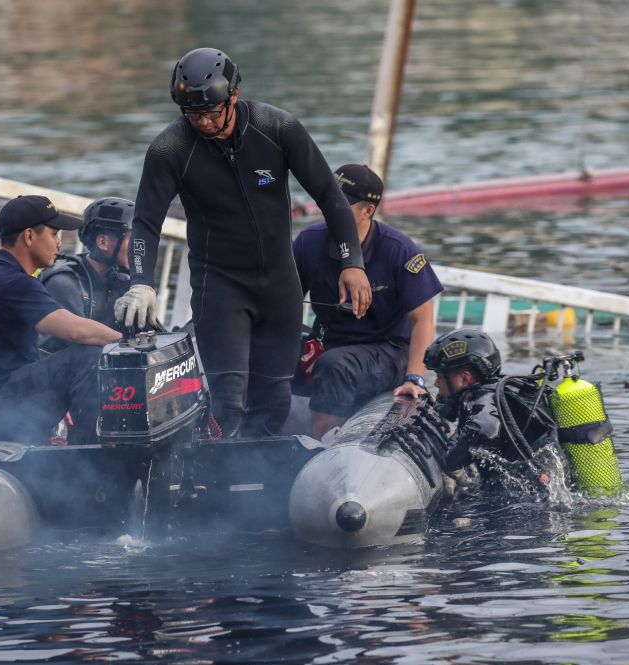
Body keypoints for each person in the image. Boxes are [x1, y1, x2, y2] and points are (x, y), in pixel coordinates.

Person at [115, 47, 372, 437]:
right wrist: (140, 282)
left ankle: (256, 492)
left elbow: (330, 196)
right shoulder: (170, 150)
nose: (202, 122)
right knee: (229, 401)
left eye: (211, 112)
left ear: (233, 96)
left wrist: (352, 262)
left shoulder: (278, 128)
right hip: (219, 285)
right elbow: (146, 222)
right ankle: (216, 488)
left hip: (278, 284)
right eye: (192, 113)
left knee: (274, 399)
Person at [0, 195, 123, 445]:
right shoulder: (12, 282)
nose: (59, 243)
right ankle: (90, 454)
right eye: (54, 234)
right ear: (29, 236)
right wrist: (131, 342)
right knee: (87, 356)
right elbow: (77, 331)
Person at [293, 164, 443, 439]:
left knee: (334, 365)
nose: (332, 211)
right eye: (328, 202)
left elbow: (423, 320)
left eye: (342, 205)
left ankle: (320, 448)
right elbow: (286, 302)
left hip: (388, 349)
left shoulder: (399, 250)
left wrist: (414, 377)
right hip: (328, 340)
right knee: (269, 351)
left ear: (368, 210)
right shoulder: (307, 241)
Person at [423, 328, 569, 493]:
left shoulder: (482, 397)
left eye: (440, 376)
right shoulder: (500, 390)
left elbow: (484, 430)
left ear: (465, 378)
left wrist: (449, 463)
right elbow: (466, 431)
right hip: (545, 483)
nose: (436, 384)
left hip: (528, 495)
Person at [38, 196, 134, 353]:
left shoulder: (122, 280)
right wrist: (132, 344)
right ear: (103, 242)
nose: (140, 248)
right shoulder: (64, 283)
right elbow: (77, 345)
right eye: (134, 239)